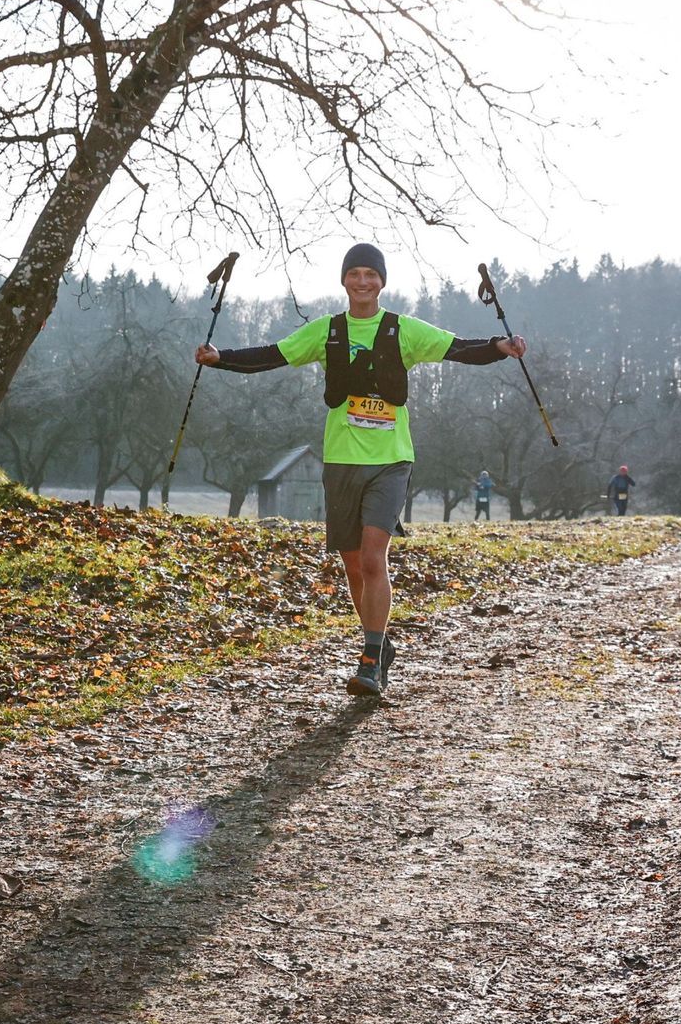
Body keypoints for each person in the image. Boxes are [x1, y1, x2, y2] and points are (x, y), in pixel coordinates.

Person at [197, 243, 526, 697]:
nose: (363, 282)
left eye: (372, 274)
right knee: (353, 567)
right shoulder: (328, 331)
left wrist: (498, 346)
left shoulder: (402, 330)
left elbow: (457, 348)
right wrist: (222, 357)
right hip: (341, 460)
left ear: (382, 282)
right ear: (344, 280)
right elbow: (272, 355)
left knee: (374, 558)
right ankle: (380, 641)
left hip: (391, 460)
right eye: (355, 274)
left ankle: (370, 660)